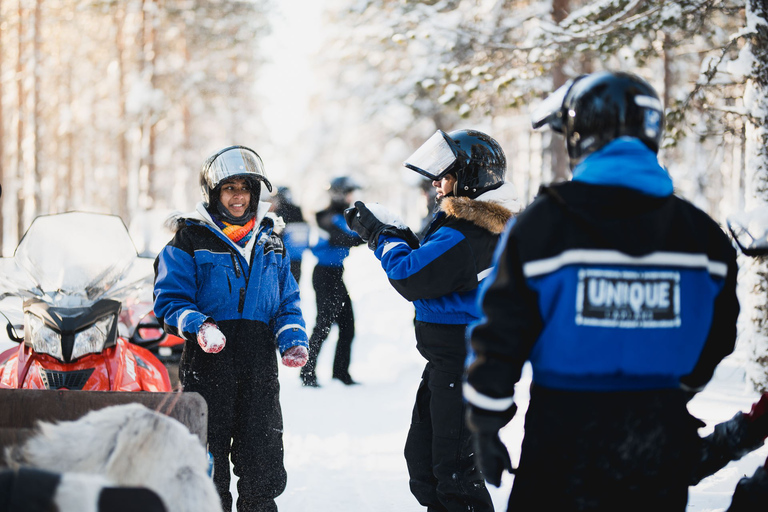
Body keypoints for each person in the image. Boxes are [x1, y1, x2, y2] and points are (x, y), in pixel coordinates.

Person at [463, 71, 740, 512]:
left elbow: (500, 333)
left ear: (580, 135)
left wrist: (486, 419)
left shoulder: (541, 226)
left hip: (563, 433)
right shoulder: (702, 236)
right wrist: (672, 393)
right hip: (658, 434)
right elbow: (720, 334)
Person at [345, 129, 521, 512]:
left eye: (444, 175)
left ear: (471, 177)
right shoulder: (470, 227)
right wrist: (395, 232)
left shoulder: (471, 231)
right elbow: (435, 264)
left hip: (463, 360)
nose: (437, 185)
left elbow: (412, 276)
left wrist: (379, 234)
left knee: (455, 473)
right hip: (449, 360)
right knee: (425, 465)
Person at [153, 145, 309, 512]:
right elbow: (169, 300)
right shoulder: (189, 239)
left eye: (245, 188)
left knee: (262, 457)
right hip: (209, 363)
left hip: (258, 365)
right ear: (213, 193)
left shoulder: (271, 240)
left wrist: (291, 338)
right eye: (229, 188)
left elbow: (287, 302)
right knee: (207, 460)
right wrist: (199, 325)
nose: (238, 197)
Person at [300, 176, 365, 387]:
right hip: (324, 275)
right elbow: (346, 238)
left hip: (336, 274)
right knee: (324, 325)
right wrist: (370, 233)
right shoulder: (326, 217)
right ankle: (307, 373)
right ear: (338, 193)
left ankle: (340, 373)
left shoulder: (341, 216)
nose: (352, 197)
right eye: (349, 193)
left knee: (348, 325)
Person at [272, 186, 310, 283]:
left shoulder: (280, 212)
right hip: (297, 255)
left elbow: (276, 236)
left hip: (283, 257)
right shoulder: (299, 211)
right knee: (294, 284)